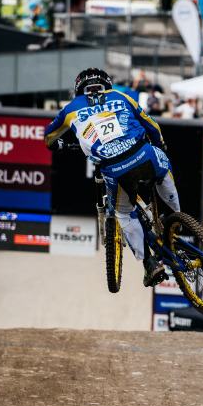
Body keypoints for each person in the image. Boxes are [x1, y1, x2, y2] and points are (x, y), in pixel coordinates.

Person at [44, 68, 180, 286]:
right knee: (163, 168)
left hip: (115, 168)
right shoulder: (122, 96)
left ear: (78, 89)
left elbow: (49, 138)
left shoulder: (71, 108)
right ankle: (176, 218)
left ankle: (149, 264)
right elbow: (151, 124)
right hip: (145, 154)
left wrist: (63, 146)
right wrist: (160, 144)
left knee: (124, 213)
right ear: (107, 84)